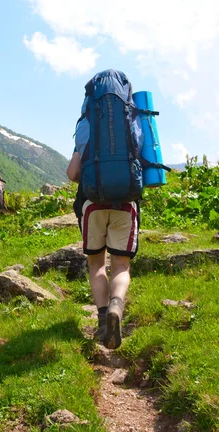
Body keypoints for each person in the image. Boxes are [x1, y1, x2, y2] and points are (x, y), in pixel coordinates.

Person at [67, 73, 140, 350]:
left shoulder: (86, 127)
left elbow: (73, 173)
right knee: (121, 265)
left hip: (92, 205)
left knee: (97, 264)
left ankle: (100, 320)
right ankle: (116, 308)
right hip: (125, 205)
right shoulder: (133, 121)